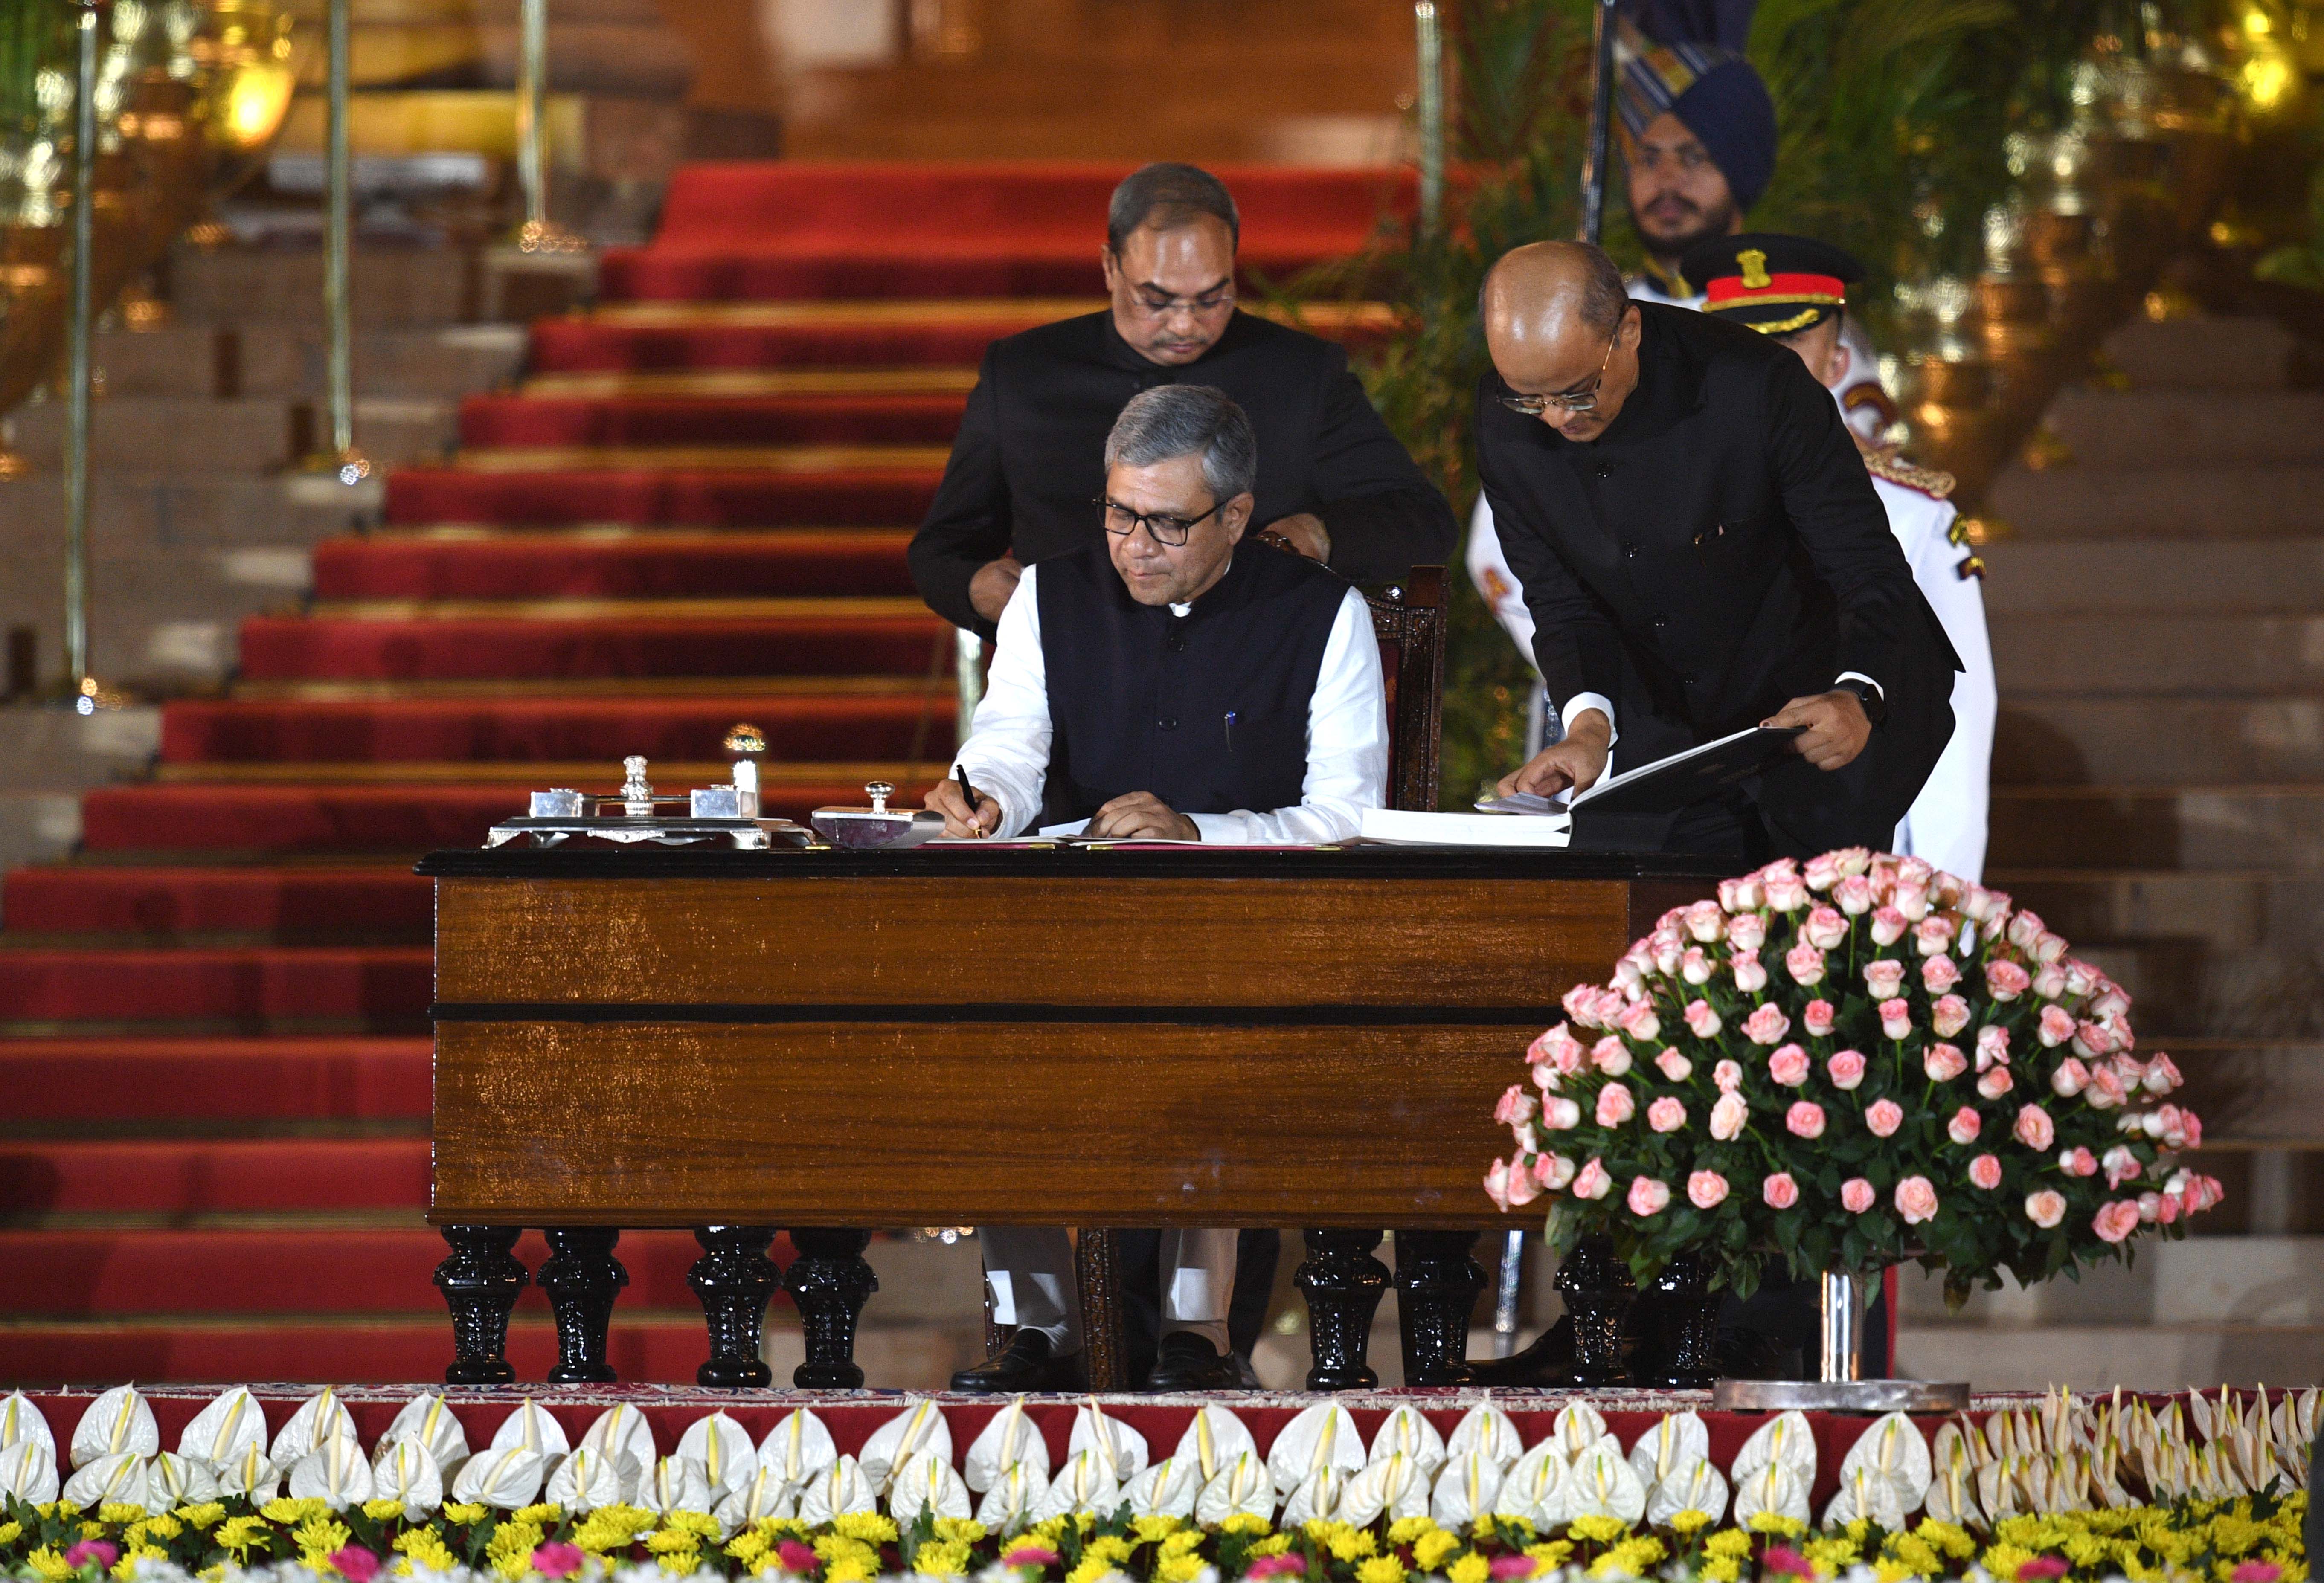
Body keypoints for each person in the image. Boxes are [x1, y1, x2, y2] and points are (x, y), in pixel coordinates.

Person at [927, 383, 1388, 1392]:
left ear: (1236, 515)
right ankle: (1035, 1324)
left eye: (1169, 524)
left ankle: (1197, 1328)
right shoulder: (1052, 595)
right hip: (1071, 918)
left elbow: (1350, 816)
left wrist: (1201, 832)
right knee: (982, 1021)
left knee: (1209, 1011)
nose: (1136, 547)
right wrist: (988, 796)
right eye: (1119, 514)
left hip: (1243, 925)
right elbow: (1011, 741)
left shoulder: (1322, 616)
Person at [1477, 240, 1957, 862]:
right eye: (1528, 398)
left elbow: (1866, 567)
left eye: (1578, 392)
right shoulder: (1503, 423)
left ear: (1629, 331)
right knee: (1629, 885)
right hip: (1667, 725)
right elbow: (1561, 601)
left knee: (1807, 907)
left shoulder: (1756, 385)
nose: (1554, 420)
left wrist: (1856, 694)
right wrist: (1589, 727)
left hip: (1816, 698)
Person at [908, 162, 1457, 638]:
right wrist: (977, 588)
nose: (1186, 324)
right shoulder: (1025, 375)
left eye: (1213, 298)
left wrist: (1317, 533)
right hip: (1075, 669)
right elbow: (943, 549)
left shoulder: (1299, 374)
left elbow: (1422, 521)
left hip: (1251, 662)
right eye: (1157, 300)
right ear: (1110, 267)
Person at [1680, 232, 1996, 879]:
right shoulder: (1660, 495)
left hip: (1850, 855)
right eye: (1741, 343)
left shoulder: (1914, 515)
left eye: (1791, 343)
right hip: (1688, 840)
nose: (1766, 367)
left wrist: (1935, 901)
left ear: (1837, 361)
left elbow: (1957, 718)